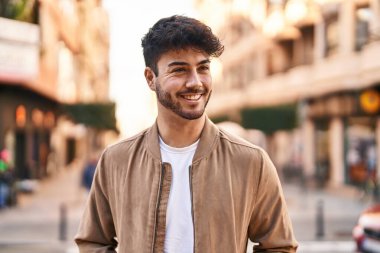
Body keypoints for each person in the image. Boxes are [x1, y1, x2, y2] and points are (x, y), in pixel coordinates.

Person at [75, 15, 298, 252]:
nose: (195, 82)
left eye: (203, 68)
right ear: (151, 78)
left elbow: (279, 246)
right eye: (179, 70)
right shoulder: (116, 160)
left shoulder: (251, 161)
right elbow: (93, 242)